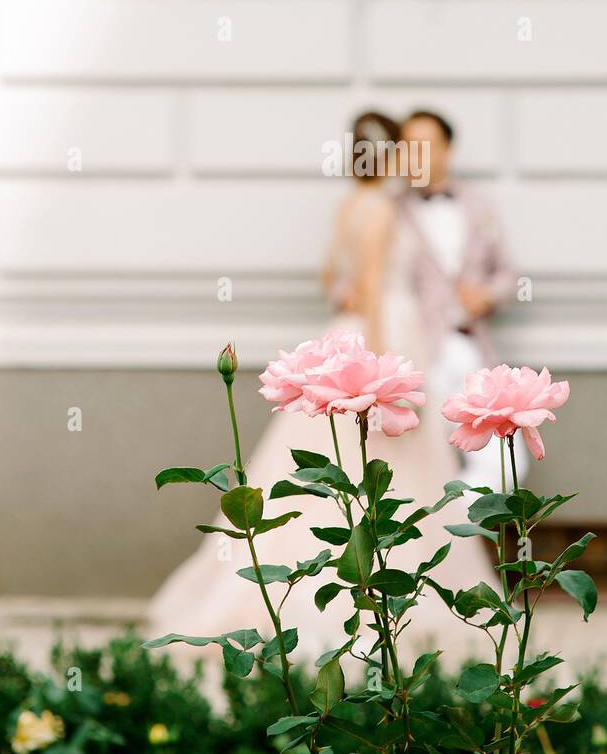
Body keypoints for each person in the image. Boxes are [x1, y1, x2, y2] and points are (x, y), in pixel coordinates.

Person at [147, 111, 499, 686]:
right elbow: (378, 291)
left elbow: (330, 278)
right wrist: (383, 374)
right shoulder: (384, 209)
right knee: (386, 471)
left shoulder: (348, 207)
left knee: (327, 472)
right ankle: (383, 602)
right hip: (381, 335)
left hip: (346, 328)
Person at [398, 110, 521, 490]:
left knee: (502, 460)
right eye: (407, 145)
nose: (415, 154)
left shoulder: (478, 206)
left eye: (425, 144)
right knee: (419, 462)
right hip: (416, 356)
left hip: (470, 347)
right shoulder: (389, 211)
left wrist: (487, 295)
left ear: (447, 149)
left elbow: (508, 276)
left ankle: (456, 533)